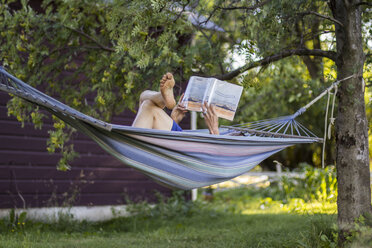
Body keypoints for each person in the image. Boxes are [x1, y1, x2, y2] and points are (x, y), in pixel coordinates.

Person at [132, 72, 220, 135]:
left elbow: (217, 159)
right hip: (179, 145)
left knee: (147, 104)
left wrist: (215, 131)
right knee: (146, 101)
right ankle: (162, 97)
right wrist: (174, 120)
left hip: (187, 150)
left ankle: (162, 98)